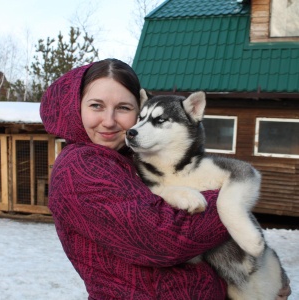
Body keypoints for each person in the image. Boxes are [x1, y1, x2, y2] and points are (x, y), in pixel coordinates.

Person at [40, 58, 291, 300]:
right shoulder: (80, 167)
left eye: (124, 108)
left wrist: (264, 275)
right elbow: (164, 240)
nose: (109, 121)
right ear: (77, 107)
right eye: (96, 106)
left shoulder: (131, 158)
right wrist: (227, 195)